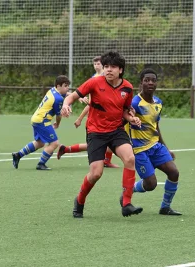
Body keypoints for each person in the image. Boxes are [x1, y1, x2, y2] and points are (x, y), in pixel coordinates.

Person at [61, 50, 142, 218]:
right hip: (96, 132)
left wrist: (132, 118)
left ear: (121, 70)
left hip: (116, 130)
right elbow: (72, 97)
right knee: (96, 173)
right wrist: (66, 105)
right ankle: (80, 200)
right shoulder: (94, 83)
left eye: (113, 67)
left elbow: (125, 111)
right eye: (106, 66)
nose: (108, 70)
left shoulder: (127, 87)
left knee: (130, 158)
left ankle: (126, 203)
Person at [125, 68, 181, 215]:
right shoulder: (134, 103)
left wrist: (165, 147)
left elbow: (155, 126)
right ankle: (128, 191)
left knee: (174, 172)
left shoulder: (158, 103)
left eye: (153, 80)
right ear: (141, 83)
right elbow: (124, 120)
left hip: (156, 146)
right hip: (139, 150)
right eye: (147, 80)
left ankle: (165, 207)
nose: (150, 83)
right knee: (151, 184)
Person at [57, 56, 119, 168]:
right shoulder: (95, 80)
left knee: (108, 143)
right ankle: (67, 149)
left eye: (99, 64)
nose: (97, 66)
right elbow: (92, 103)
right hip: (96, 121)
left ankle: (106, 161)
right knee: (95, 146)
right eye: (95, 64)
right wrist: (79, 118)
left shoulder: (110, 79)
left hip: (107, 120)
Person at [11, 75, 70, 170]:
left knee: (40, 143)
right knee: (54, 143)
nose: (67, 88)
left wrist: (77, 97)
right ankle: (41, 164)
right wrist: (57, 124)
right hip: (43, 121)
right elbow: (59, 115)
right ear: (59, 86)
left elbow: (66, 94)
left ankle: (18, 155)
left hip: (36, 119)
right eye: (65, 86)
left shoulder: (52, 90)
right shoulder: (58, 99)